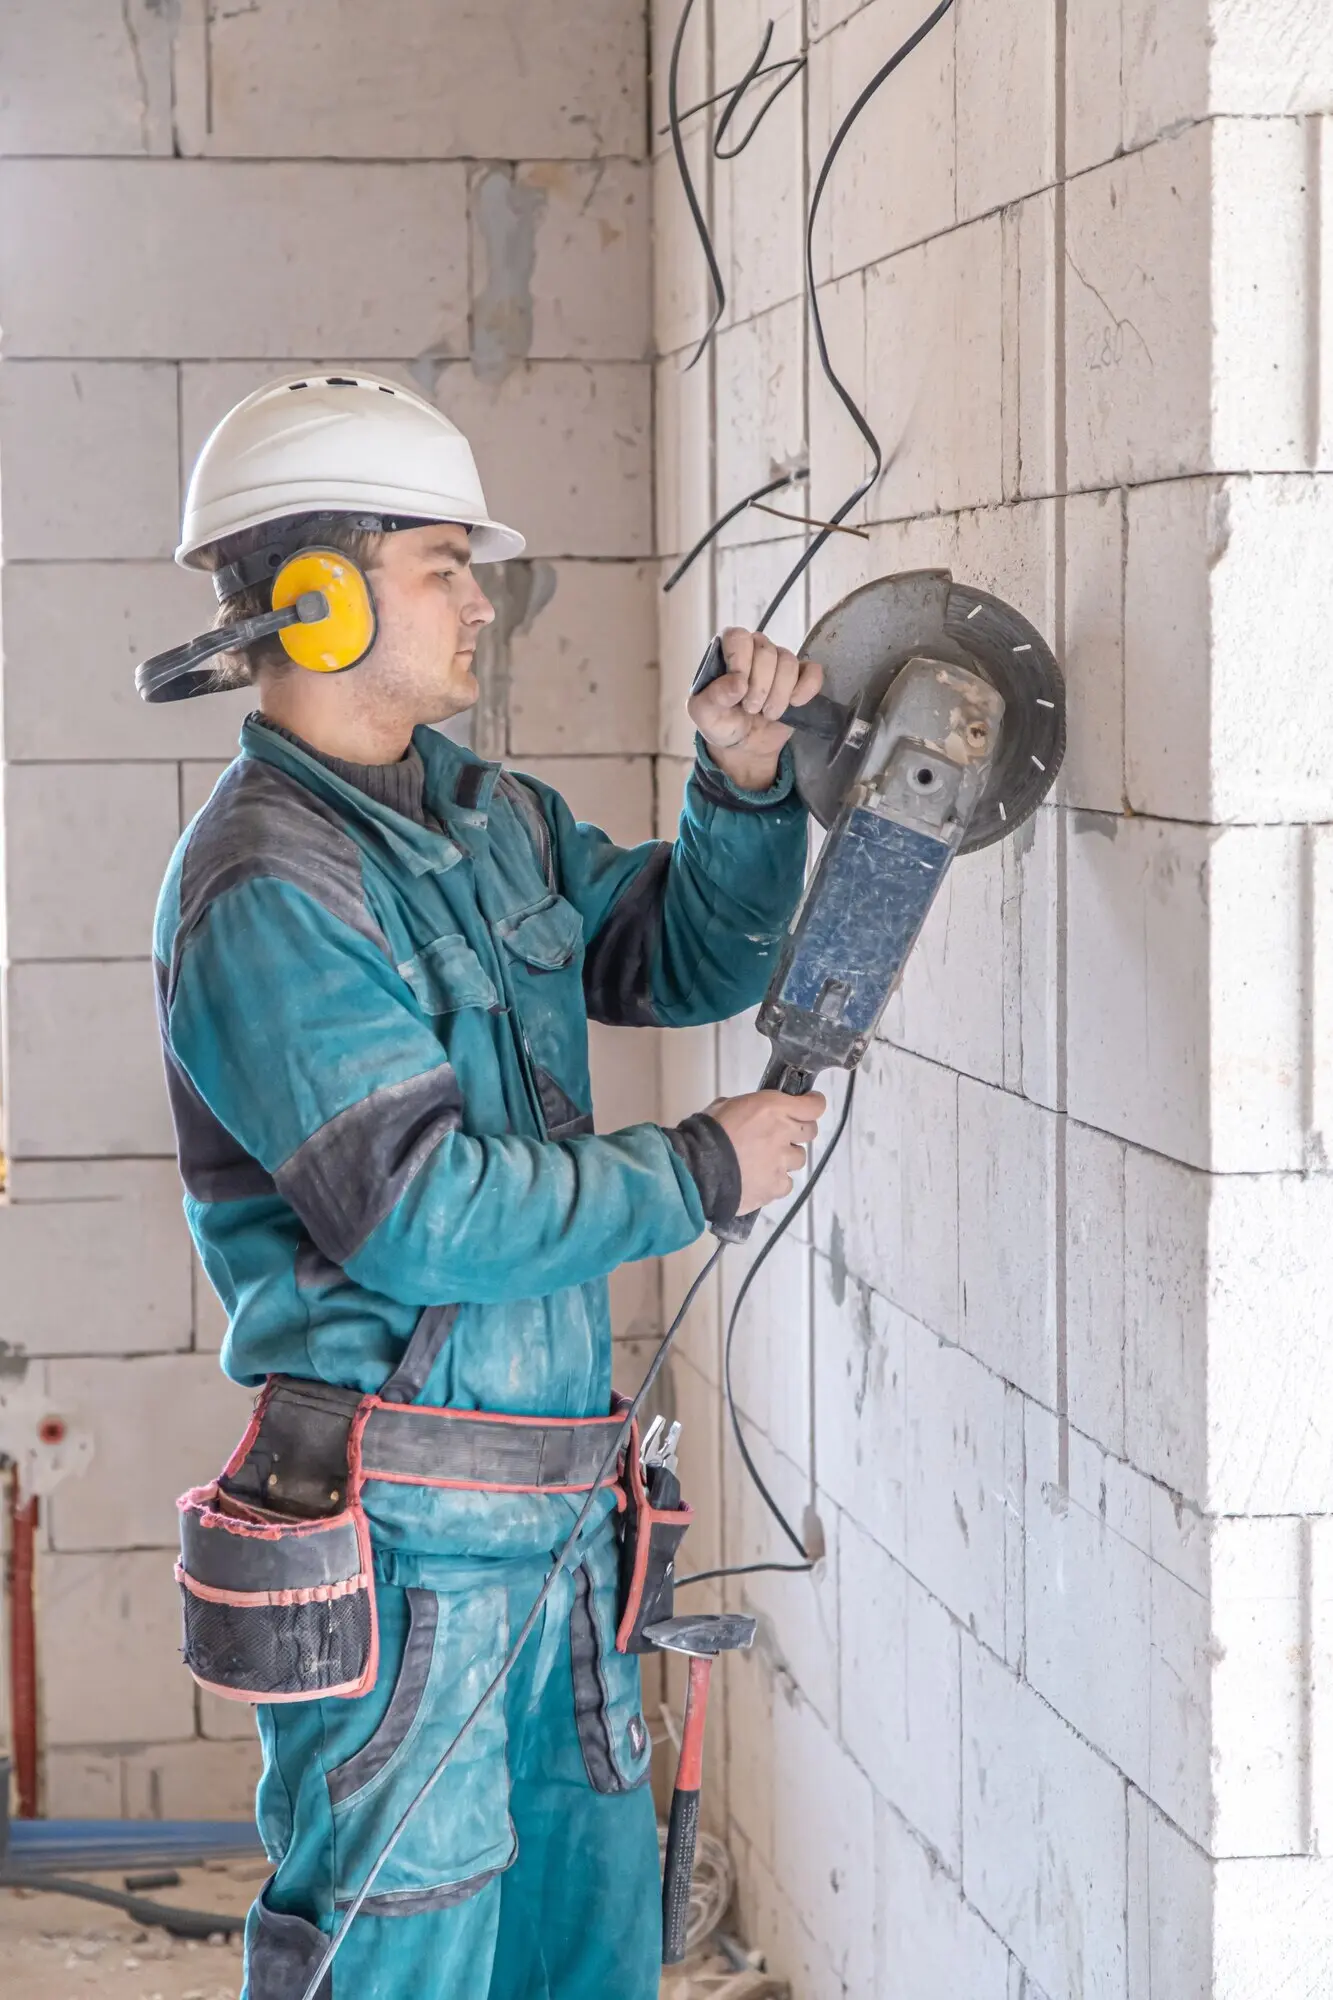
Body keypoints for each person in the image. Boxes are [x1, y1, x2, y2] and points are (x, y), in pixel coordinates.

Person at [149, 372, 827, 1999]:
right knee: (411, 1956)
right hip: (405, 1548)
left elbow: (675, 955)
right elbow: (420, 1209)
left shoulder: (489, 815)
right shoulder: (264, 883)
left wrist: (740, 787)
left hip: (560, 1530)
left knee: (579, 1954)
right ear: (313, 603)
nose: (480, 602)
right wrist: (696, 1168)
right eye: (443, 563)